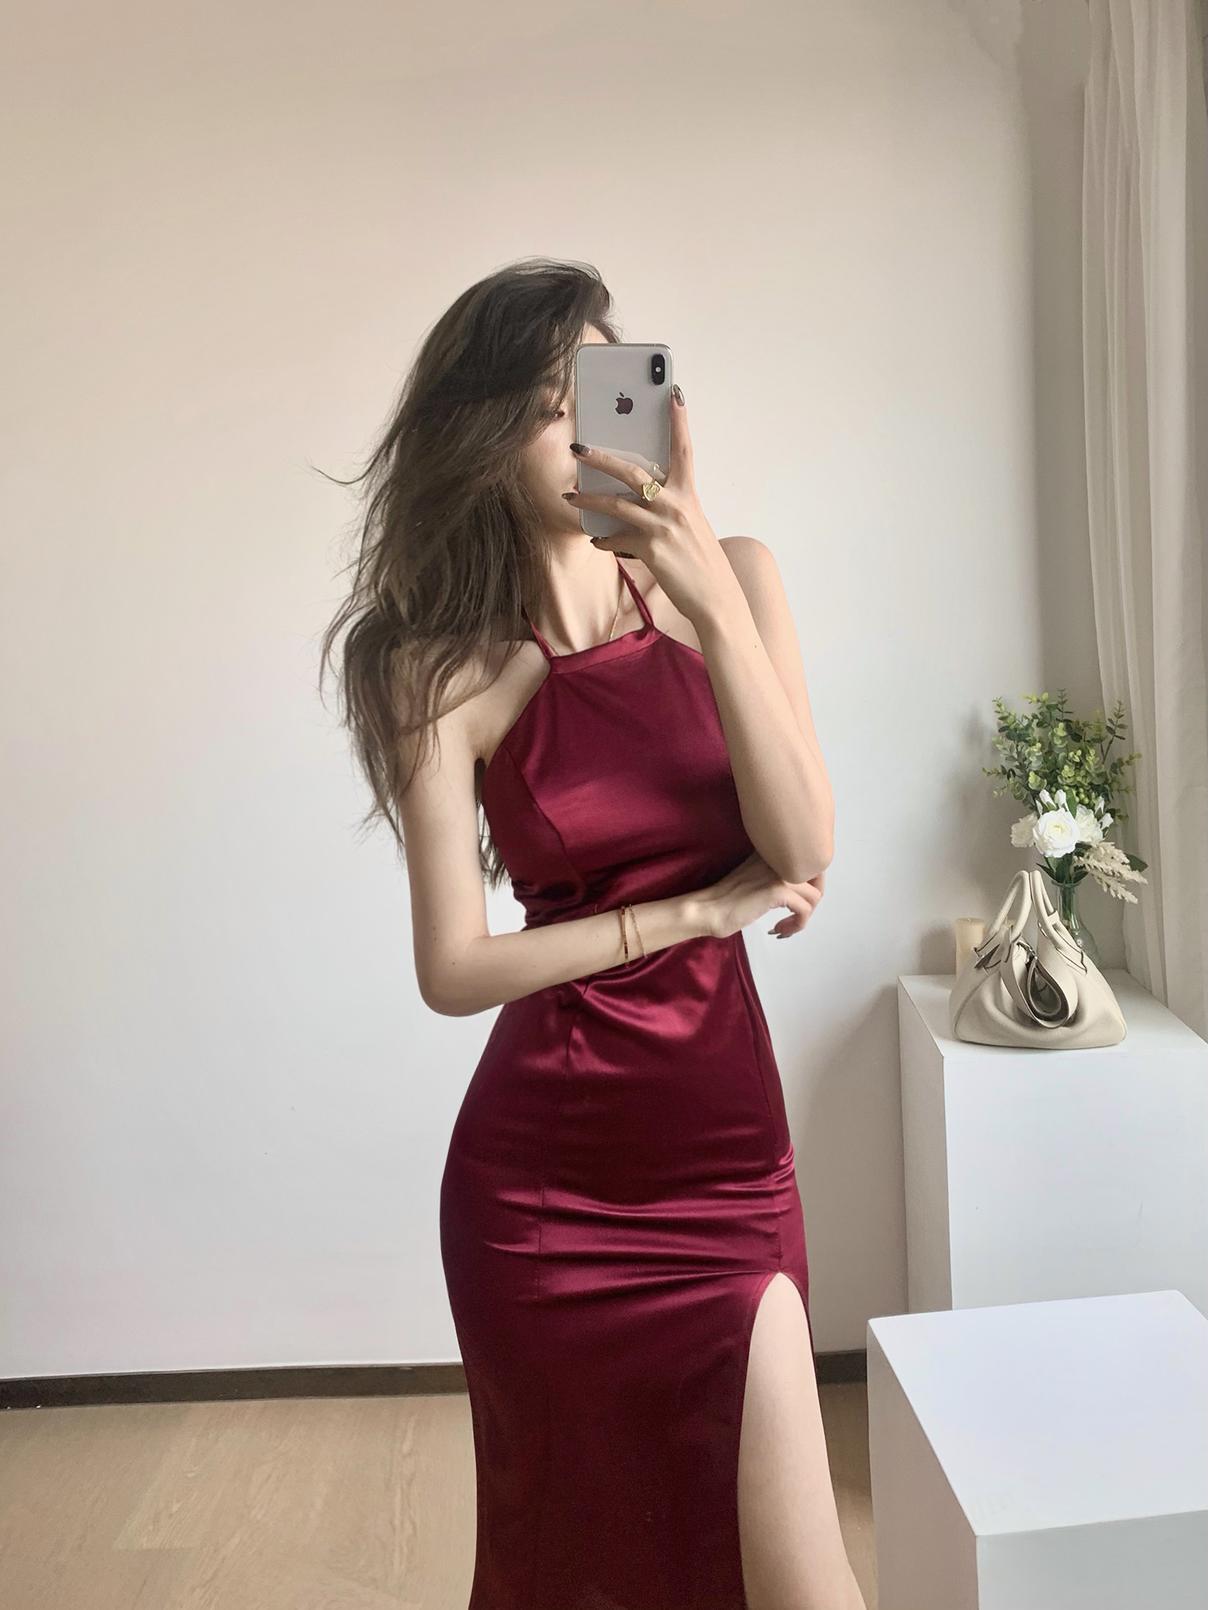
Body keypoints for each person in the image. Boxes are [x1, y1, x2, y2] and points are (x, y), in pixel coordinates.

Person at [320, 258, 861, 1610]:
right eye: (552, 402)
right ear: (484, 435)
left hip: (726, 1161)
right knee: (573, 1574)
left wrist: (707, 591)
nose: (589, 425)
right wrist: (687, 912)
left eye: (609, 389)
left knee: (810, 1587)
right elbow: (454, 968)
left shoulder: (735, 579)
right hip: (542, 1193)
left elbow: (803, 843)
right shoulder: (434, 668)